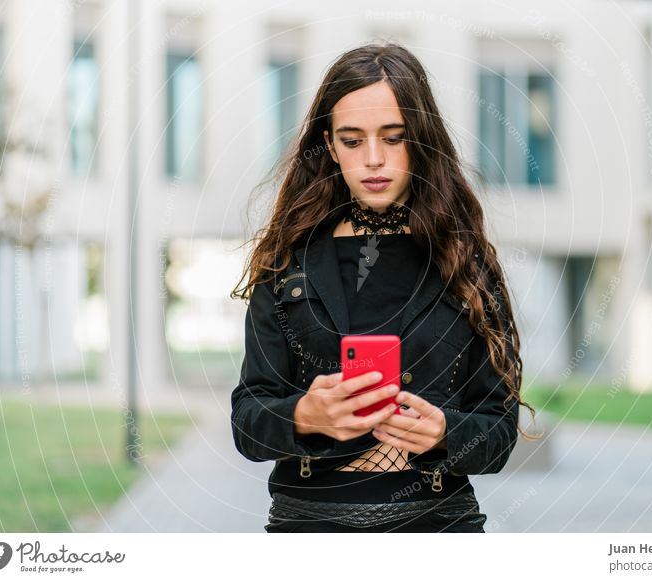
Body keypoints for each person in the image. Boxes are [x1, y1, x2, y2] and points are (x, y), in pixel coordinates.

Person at [229, 42, 537, 533]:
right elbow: (247, 421)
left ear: (421, 140)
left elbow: (498, 435)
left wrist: (443, 431)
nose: (373, 159)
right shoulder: (286, 262)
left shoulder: (466, 262)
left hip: (439, 527)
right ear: (329, 146)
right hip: (308, 528)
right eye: (352, 141)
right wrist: (305, 416)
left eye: (393, 138)